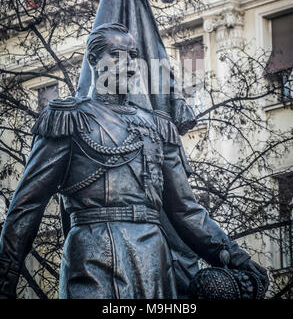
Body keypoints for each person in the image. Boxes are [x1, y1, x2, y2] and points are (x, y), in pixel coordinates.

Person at [0, 23, 268, 299]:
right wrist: (5, 282)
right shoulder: (68, 120)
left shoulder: (158, 128)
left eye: (132, 55)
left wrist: (239, 259)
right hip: (92, 258)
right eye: (116, 54)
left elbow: (186, 211)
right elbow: (26, 208)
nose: (128, 64)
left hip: (152, 260)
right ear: (93, 60)